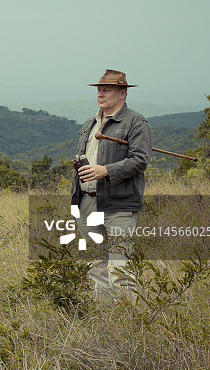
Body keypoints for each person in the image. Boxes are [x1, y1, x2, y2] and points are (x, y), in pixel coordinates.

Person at [71, 69, 152, 300]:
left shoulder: (136, 121)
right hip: (88, 203)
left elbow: (140, 161)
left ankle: (132, 322)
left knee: (119, 268)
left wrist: (104, 170)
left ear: (122, 93)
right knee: (96, 266)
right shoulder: (90, 124)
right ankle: (106, 321)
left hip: (120, 204)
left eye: (107, 90)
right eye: (99, 90)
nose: (101, 94)